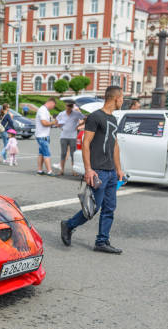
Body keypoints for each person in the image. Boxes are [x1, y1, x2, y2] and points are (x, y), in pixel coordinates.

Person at [60, 86, 126, 254]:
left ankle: (102, 241)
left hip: (111, 172)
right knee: (93, 208)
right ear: (116, 98)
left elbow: (115, 145)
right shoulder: (96, 117)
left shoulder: (113, 119)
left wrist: (119, 169)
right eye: (122, 98)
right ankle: (69, 225)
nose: (123, 101)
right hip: (98, 171)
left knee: (110, 208)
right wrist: (88, 169)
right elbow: (86, 143)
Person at [56, 102, 85, 176]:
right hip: (63, 136)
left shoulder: (76, 113)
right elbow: (56, 121)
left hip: (73, 137)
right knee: (63, 153)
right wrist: (59, 126)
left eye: (70, 106)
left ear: (72, 107)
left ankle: (74, 171)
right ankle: (61, 170)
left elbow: (85, 119)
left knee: (73, 154)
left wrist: (78, 125)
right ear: (65, 106)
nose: (69, 107)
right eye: (68, 106)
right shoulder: (61, 114)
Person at [35, 97, 58, 176]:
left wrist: (52, 122)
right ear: (51, 103)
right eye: (54, 106)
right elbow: (44, 123)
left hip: (42, 135)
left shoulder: (44, 110)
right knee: (46, 153)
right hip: (42, 135)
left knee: (41, 153)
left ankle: (40, 170)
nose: (53, 107)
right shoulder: (43, 110)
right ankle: (49, 171)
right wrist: (53, 122)